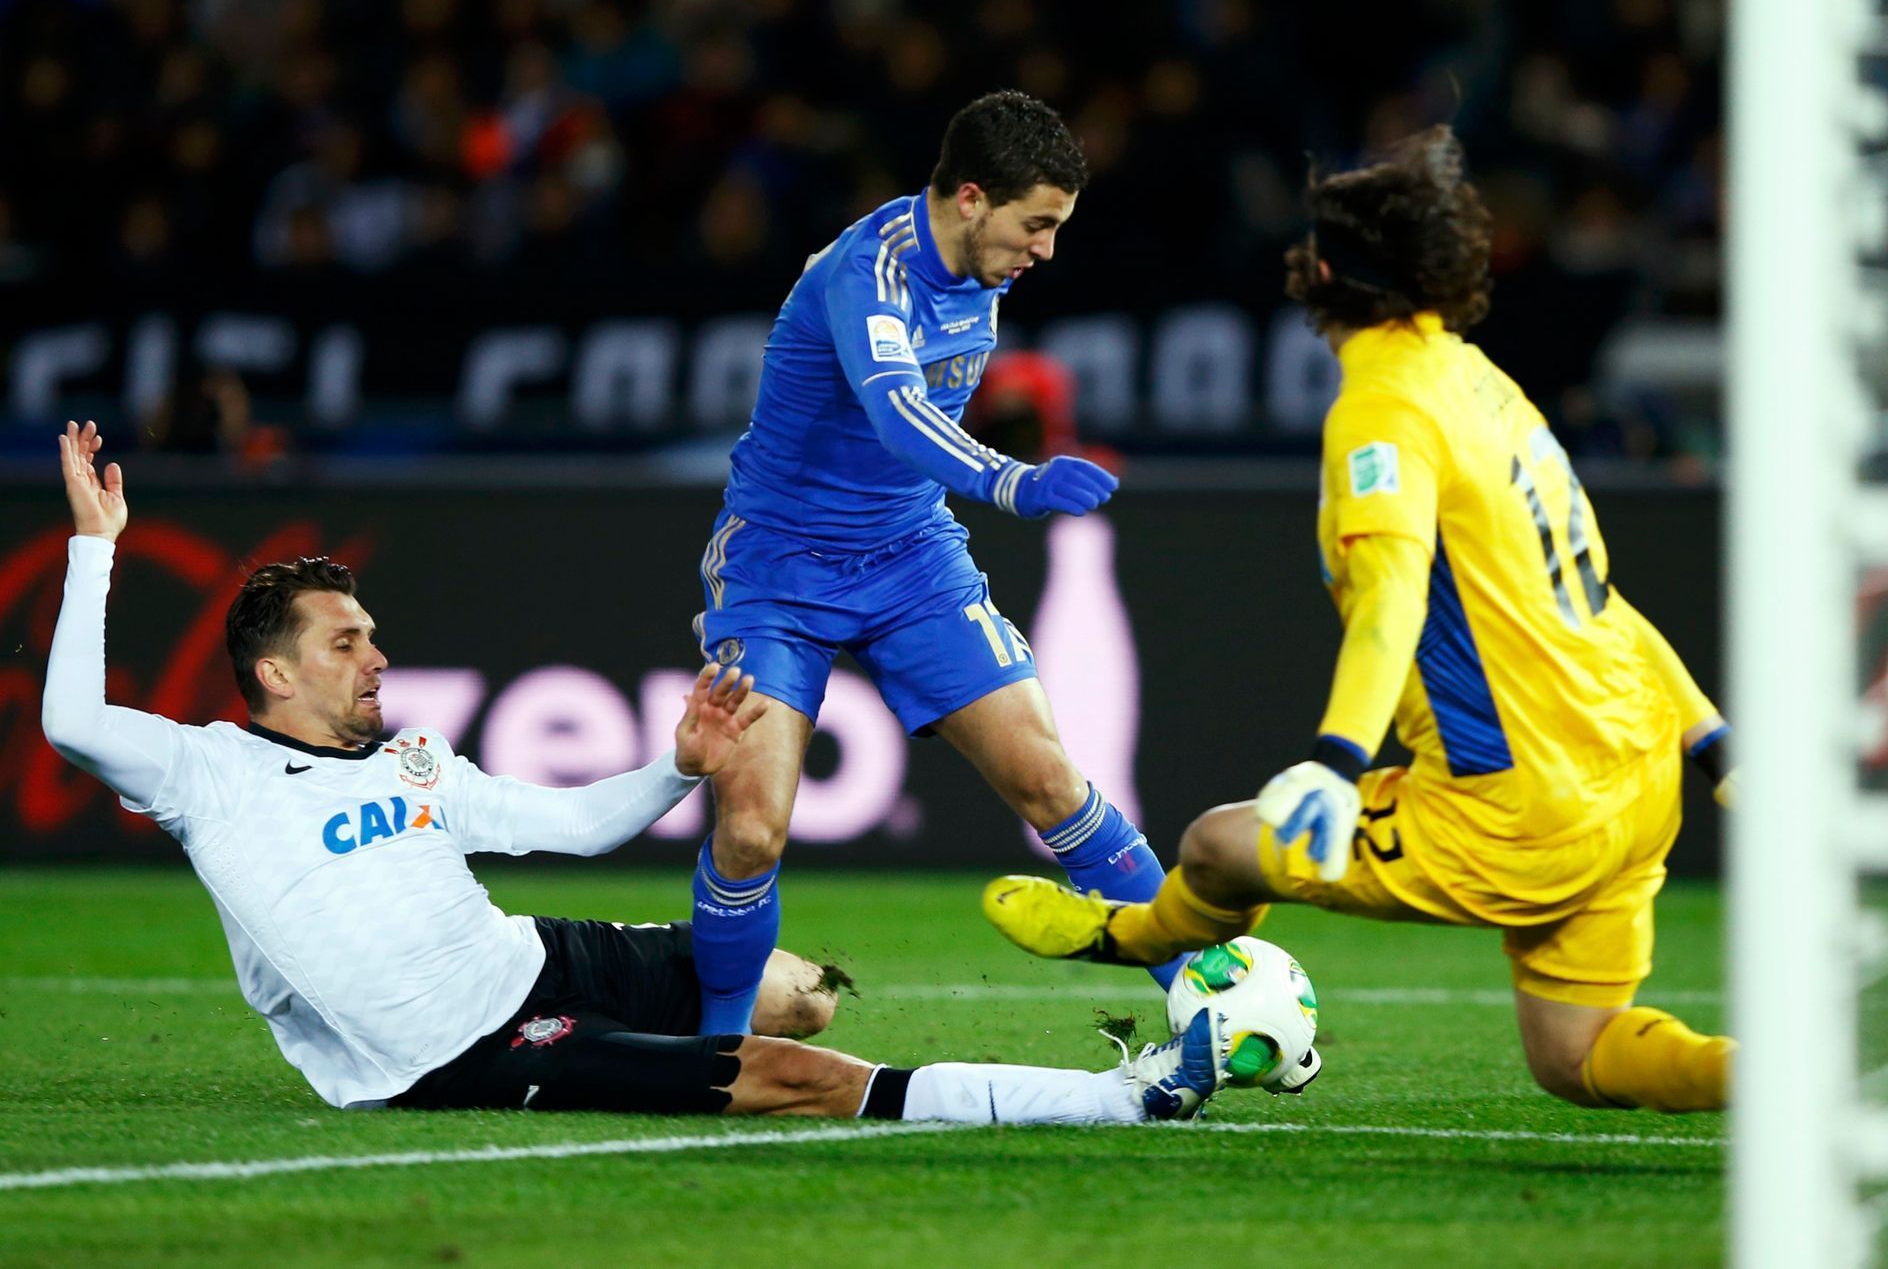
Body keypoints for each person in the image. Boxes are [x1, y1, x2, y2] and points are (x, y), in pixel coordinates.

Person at [40, 420, 1222, 1123]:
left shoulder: (411, 759)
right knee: (795, 1069)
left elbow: (575, 822)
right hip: (461, 1047)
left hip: (531, 955)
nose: (376, 656)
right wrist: (97, 548)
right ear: (271, 675)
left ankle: (717, 1038)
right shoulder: (202, 771)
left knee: (799, 987)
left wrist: (675, 765)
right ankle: (1127, 1097)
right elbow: (71, 716)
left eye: (372, 633)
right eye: (343, 640)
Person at [983, 127, 1738, 1113]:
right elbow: (1591, 587)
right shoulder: (1483, 381)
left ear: (1320, 271)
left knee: (1216, 844)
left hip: (1521, 808)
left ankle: (1121, 937)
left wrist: (1337, 764)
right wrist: (1713, 740)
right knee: (1578, 1052)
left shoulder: (1385, 408)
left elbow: (1392, 597)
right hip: (1636, 770)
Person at [686, 89, 1183, 1040]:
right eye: (1035, 225)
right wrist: (1011, 482)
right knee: (751, 829)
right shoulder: (864, 272)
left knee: (1050, 782)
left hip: (911, 557)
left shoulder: (982, 265)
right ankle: (719, 1049)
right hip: (778, 569)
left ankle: (1203, 983)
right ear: (968, 198)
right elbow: (893, 406)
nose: (1045, 250)